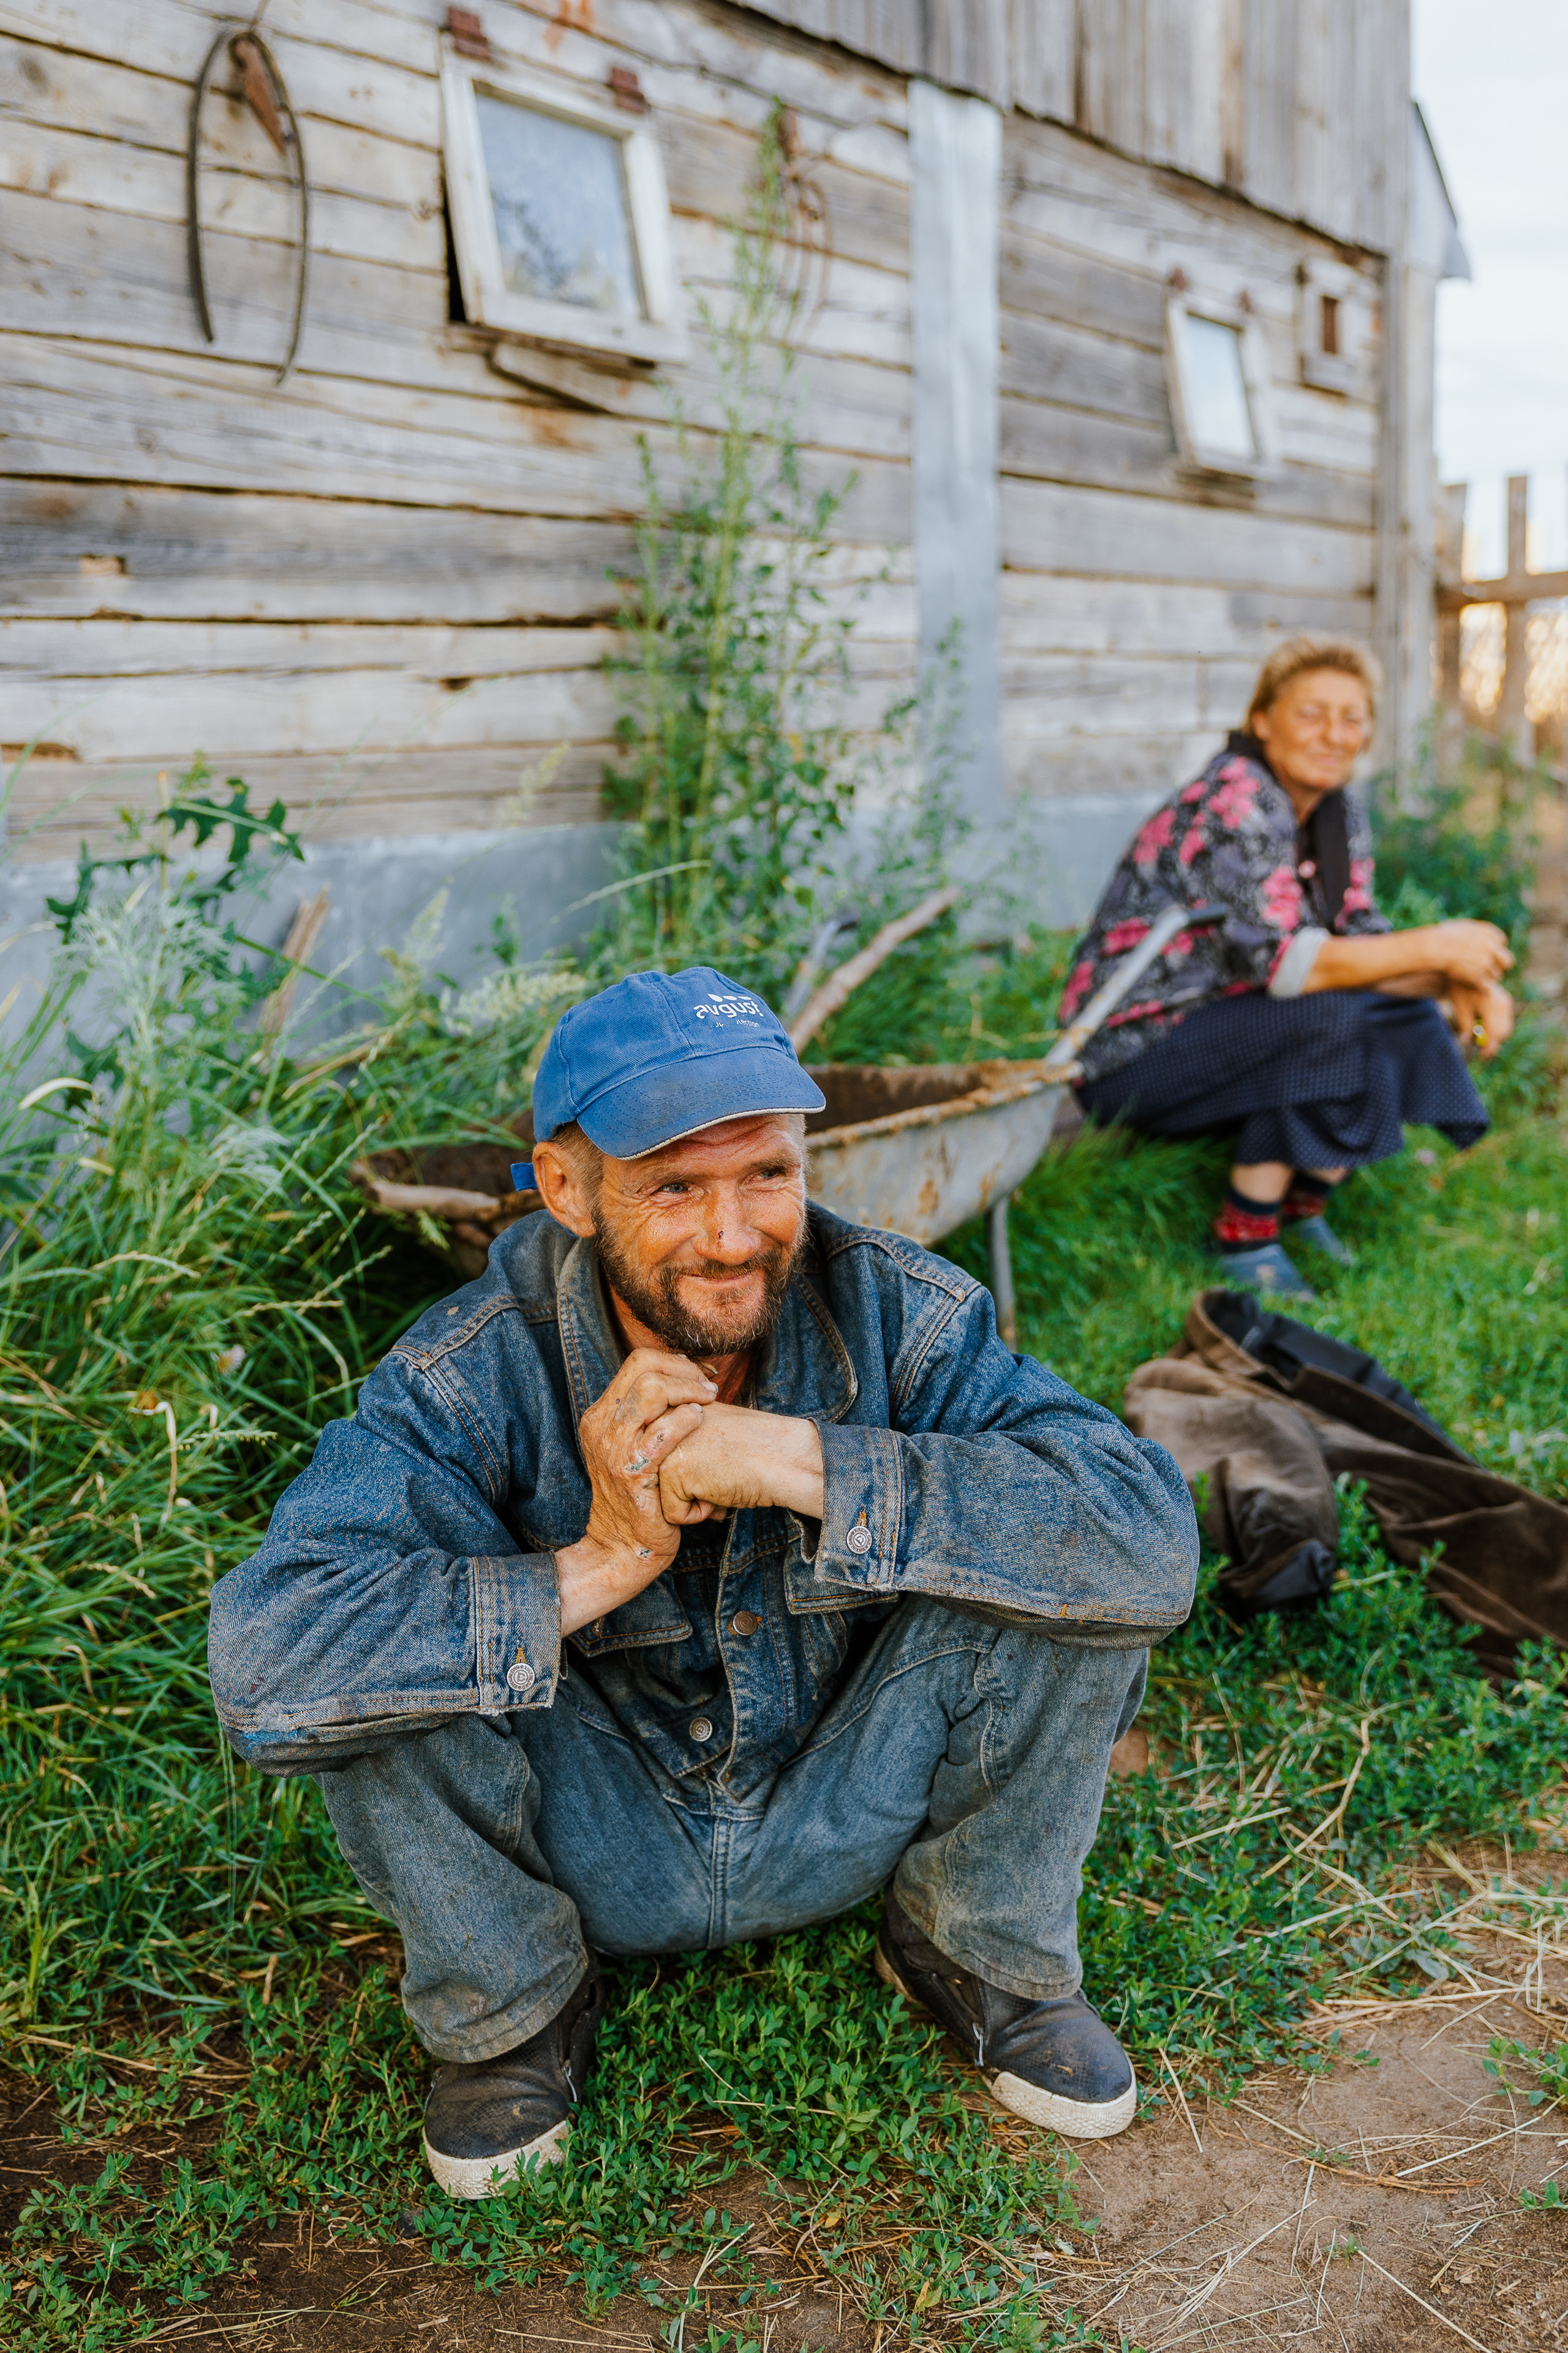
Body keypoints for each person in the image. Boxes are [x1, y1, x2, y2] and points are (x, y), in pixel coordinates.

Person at [208, 968, 1198, 2196]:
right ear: (565, 1188)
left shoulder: (899, 1306)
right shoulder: (466, 1372)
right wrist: (598, 1562)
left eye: (767, 1175)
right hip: (593, 1842)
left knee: (1059, 1549)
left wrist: (800, 1459)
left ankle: (973, 1941)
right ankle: (512, 2004)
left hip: (846, 1803)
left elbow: (1146, 1538)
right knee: (383, 1653)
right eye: (673, 1186)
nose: (734, 1237)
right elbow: (268, 1665)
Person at [1060, 637, 1513, 1298]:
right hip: (1126, 1053)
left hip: (1227, 1027)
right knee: (1331, 1012)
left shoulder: (1335, 812)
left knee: (1387, 1009)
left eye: (1351, 717)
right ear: (1263, 720)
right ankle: (1245, 1235)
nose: (1334, 734)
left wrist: (1466, 981)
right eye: (1311, 713)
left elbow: (1360, 942)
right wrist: (1440, 946)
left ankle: (1302, 1206)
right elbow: (1288, 966)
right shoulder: (1234, 799)